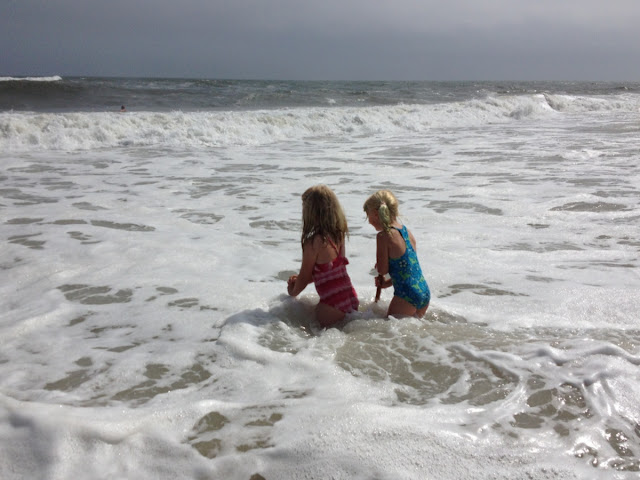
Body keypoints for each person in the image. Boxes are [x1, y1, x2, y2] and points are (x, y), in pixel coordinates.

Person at [287, 185, 359, 327]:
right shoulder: (338, 233)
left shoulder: (313, 242)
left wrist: (292, 291)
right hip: (350, 298)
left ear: (311, 212)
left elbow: (304, 278)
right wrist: (302, 279)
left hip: (331, 305)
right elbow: (329, 272)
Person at [363, 190, 430, 318]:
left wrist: (378, 269)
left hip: (407, 294)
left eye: (368, 216)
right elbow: (407, 270)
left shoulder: (383, 236)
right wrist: (387, 283)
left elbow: (382, 270)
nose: (369, 222)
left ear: (376, 214)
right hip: (424, 291)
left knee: (388, 328)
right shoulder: (407, 232)